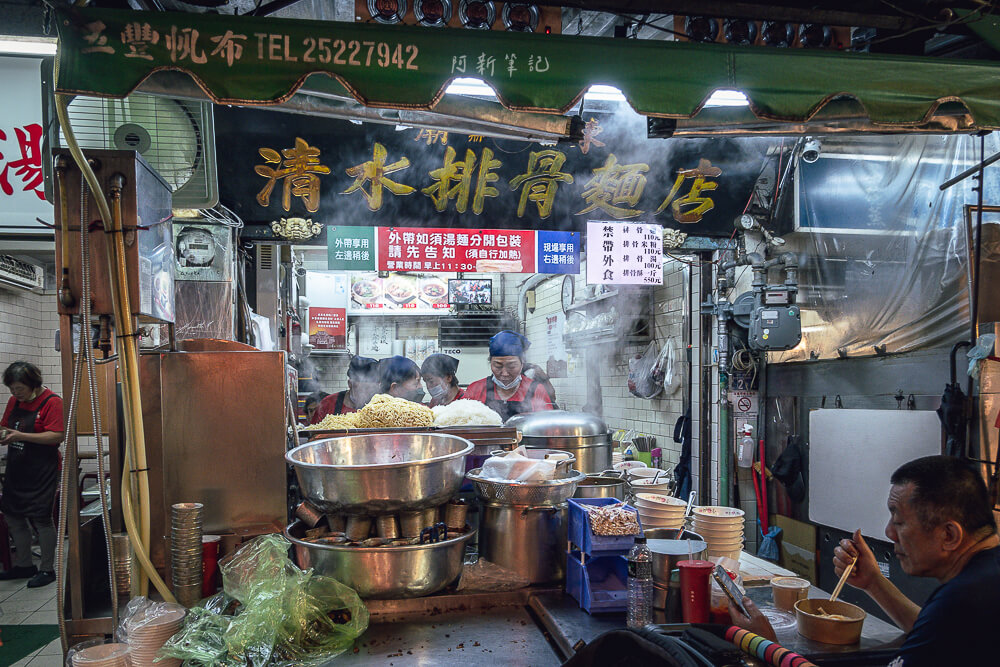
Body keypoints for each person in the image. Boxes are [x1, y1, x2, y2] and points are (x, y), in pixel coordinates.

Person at [729, 455, 999, 665]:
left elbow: (941, 626)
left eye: (900, 521)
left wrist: (768, 646)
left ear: (949, 535)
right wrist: (873, 582)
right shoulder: (983, 578)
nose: (889, 532)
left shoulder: (963, 602)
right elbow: (931, 631)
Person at [0, 361, 65, 588]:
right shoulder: (14, 402)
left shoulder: (52, 402)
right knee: (13, 516)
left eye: (19, 389)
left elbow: (56, 436)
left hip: (43, 471)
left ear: (33, 384)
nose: (16, 393)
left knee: (42, 519)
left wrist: (21, 436)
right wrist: (5, 435)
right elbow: (6, 427)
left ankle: (47, 569)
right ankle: (24, 565)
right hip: (18, 468)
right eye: (12, 389)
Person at [464, 331, 554, 421]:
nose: (505, 373)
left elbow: (547, 425)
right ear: (490, 363)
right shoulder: (476, 389)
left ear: (522, 363)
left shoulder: (536, 390)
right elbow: (462, 422)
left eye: (511, 366)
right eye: (498, 366)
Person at [310, 356, 379, 424]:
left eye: (371, 390)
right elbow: (313, 431)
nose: (366, 394)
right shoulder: (327, 404)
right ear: (350, 384)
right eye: (363, 389)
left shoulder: (381, 409)